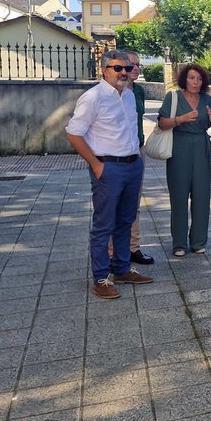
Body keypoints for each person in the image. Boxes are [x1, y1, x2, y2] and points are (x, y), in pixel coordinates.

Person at [66, 49, 153, 299]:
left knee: (126, 221)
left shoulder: (128, 95)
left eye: (127, 68)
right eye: (118, 68)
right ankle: (101, 278)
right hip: (108, 167)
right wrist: (96, 164)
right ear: (104, 70)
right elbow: (73, 133)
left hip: (132, 164)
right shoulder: (93, 98)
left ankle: (122, 269)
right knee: (104, 225)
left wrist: (137, 159)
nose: (124, 72)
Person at [158, 63, 211, 257]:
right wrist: (180, 119)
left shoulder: (207, 99)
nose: (196, 82)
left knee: (202, 197)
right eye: (192, 78)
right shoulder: (173, 97)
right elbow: (161, 123)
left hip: (201, 148)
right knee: (179, 197)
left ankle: (199, 242)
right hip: (179, 148)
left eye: (200, 79)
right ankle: (179, 244)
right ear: (185, 79)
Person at [107, 50, 154, 265]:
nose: (133, 69)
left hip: (137, 151)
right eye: (128, 65)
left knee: (133, 203)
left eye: (136, 65)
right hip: (114, 154)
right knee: (113, 205)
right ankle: (110, 253)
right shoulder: (110, 91)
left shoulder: (139, 91)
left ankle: (133, 248)